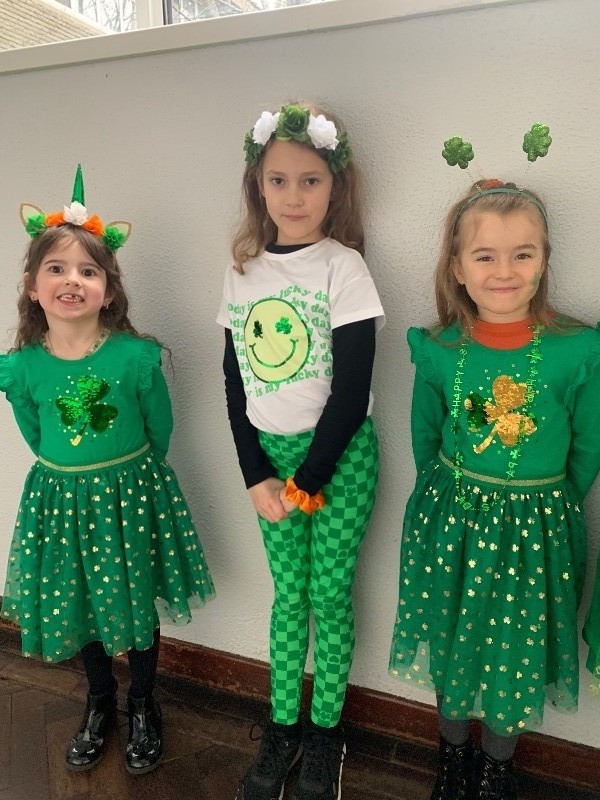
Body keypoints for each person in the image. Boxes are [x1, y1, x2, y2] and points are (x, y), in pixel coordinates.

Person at [389, 178, 600, 800]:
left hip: (537, 535)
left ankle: (497, 767)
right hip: (452, 525)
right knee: (452, 635)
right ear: (457, 268)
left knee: (514, 650)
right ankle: (452, 754)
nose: (504, 271)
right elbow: (425, 438)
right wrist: (449, 504)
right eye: (485, 256)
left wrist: (548, 509)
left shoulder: (575, 350)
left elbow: (587, 449)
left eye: (522, 254)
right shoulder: (439, 349)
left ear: (544, 259)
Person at [0, 166, 215, 775]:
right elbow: (35, 433)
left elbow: (159, 429)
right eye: (57, 269)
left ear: (109, 291)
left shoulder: (135, 358)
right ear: (32, 287)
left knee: (135, 602)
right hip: (61, 503)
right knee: (82, 603)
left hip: (131, 496)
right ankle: (100, 700)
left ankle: (143, 701)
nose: (73, 280)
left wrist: (129, 479)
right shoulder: (21, 368)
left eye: (88, 271)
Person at [217, 103, 384, 800]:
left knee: (329, 594)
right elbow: (234, 380)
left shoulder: (344, 268)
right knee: (290, 596)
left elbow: (352, 388)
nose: (293, 196)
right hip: (272, 465)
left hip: (339, 463)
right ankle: (282, 725)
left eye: (310, 180)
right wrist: (256, 473)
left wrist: (311, 478)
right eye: (278, 180)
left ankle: (325, 733)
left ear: (334, 187)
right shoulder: (243, 270)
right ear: (258, 186)